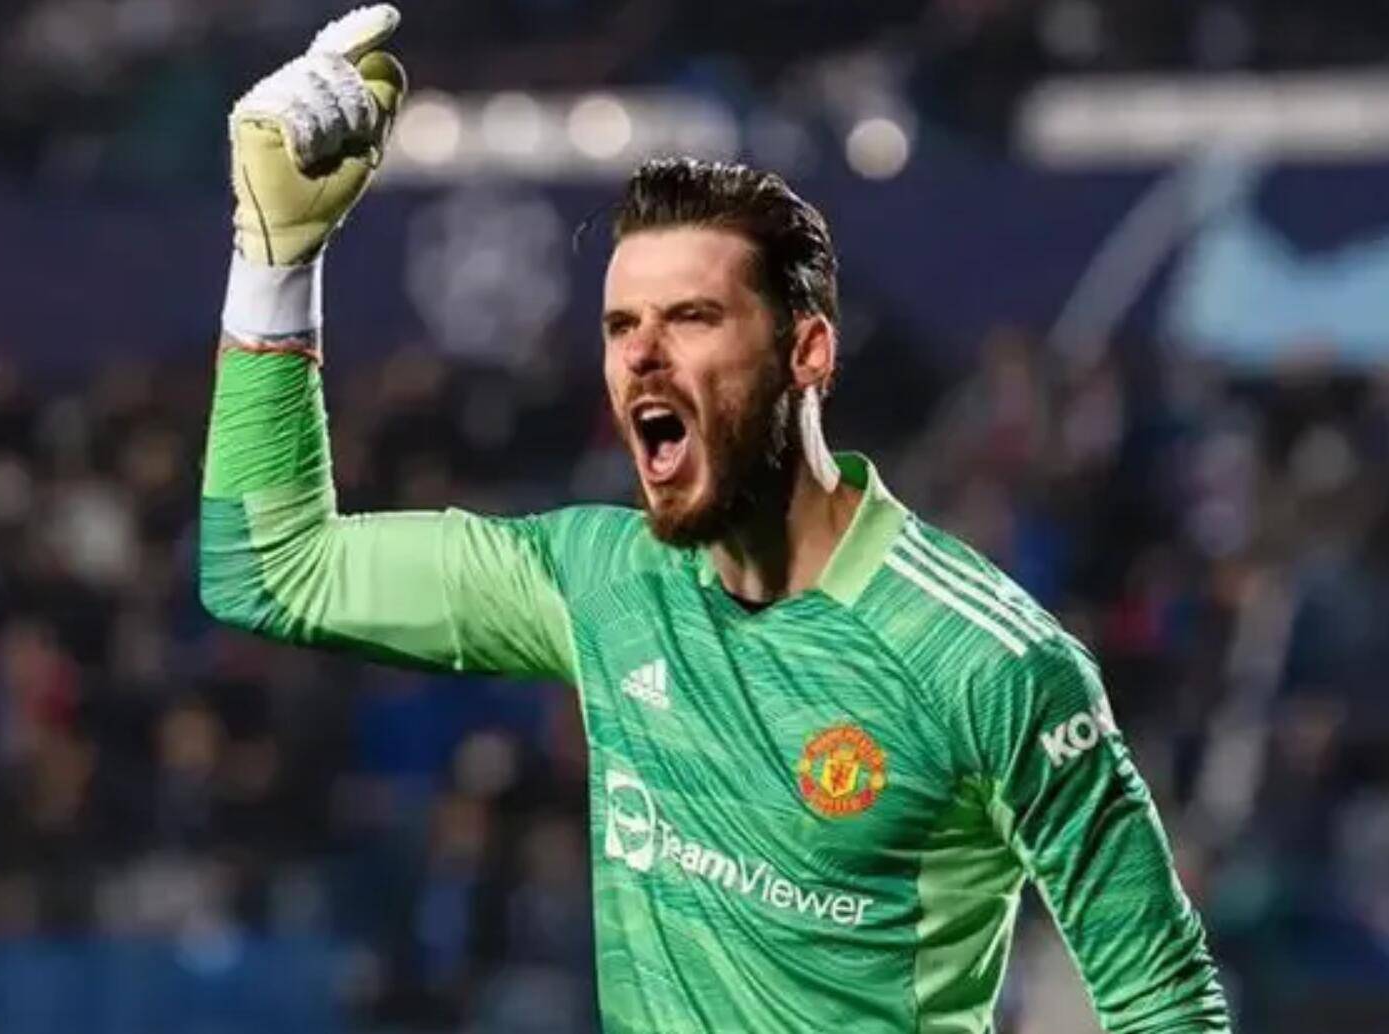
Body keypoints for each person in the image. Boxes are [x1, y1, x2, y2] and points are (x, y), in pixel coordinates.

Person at [199, 6, 1233, 1030]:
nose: (642, 356)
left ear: (807, 353)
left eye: (691, 318)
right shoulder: (602, 580)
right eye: (620, 325)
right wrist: (274, 264)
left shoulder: (986, 662)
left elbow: (1164, 1001)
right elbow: (270, 569)